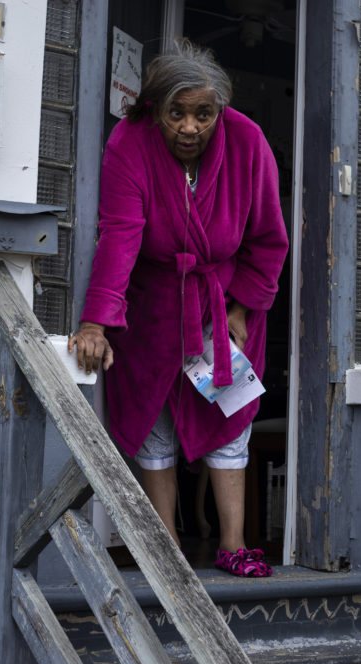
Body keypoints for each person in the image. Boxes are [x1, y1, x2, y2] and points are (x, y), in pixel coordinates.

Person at [68, 39, 288, 578]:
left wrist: (238, 311)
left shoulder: (248, 142)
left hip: (223, 302)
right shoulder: (130, 142)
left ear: (221, 110)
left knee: (231, 413)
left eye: (204, 114)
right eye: (177, 113)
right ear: (153, 109)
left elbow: (267, 239)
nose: (190, 127)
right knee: (154, 421)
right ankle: (167, 548)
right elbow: (120, 234)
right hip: (152, 307)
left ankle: (234, 543)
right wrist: (96, 321)